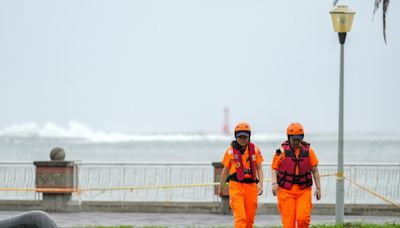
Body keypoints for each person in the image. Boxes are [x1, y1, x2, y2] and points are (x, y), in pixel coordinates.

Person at [271, 122, 321, 228]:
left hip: (304, 190)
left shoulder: (309, 151)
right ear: (289, 138)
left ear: (302, 138)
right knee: (289, 223)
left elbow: (315, 170)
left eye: (298, 139)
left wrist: (318, 188)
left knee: (303, 218)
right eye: (294, 139)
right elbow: (274, 168)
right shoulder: (280, 151)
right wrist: (274, 183)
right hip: (285, 191)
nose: (296, 142)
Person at [218, 122, 264, 228]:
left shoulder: (255, 150)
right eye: (240, 137)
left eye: (245, 137)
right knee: (240, 218)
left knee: (249, 220)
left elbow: (259, 168)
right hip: (236, 186)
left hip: (251, 187)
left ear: (249, 137)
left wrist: (261, 185)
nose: (243, 139)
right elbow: (225, 170)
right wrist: (220, 186)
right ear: (236, 137)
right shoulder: (230, 152)